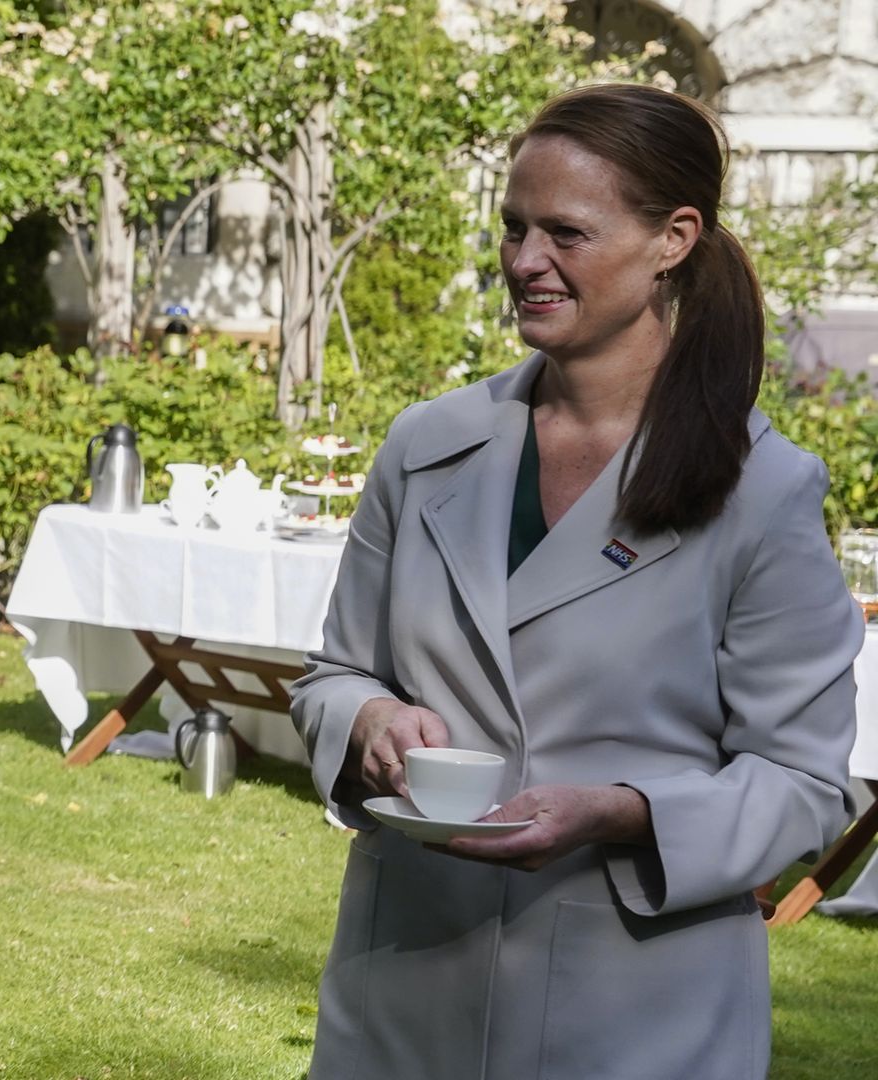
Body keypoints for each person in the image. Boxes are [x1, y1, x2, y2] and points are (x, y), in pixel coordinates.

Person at [289, 83, 861, 1080]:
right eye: (513, 228)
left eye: (566, 232)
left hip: (637, 1016)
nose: (523, 262)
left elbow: (805, 784)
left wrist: (626, 810)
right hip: (404, 998)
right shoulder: (426, 446)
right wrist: (369, 721)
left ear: (673, 240)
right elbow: (332, 676)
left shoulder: (762, 492)